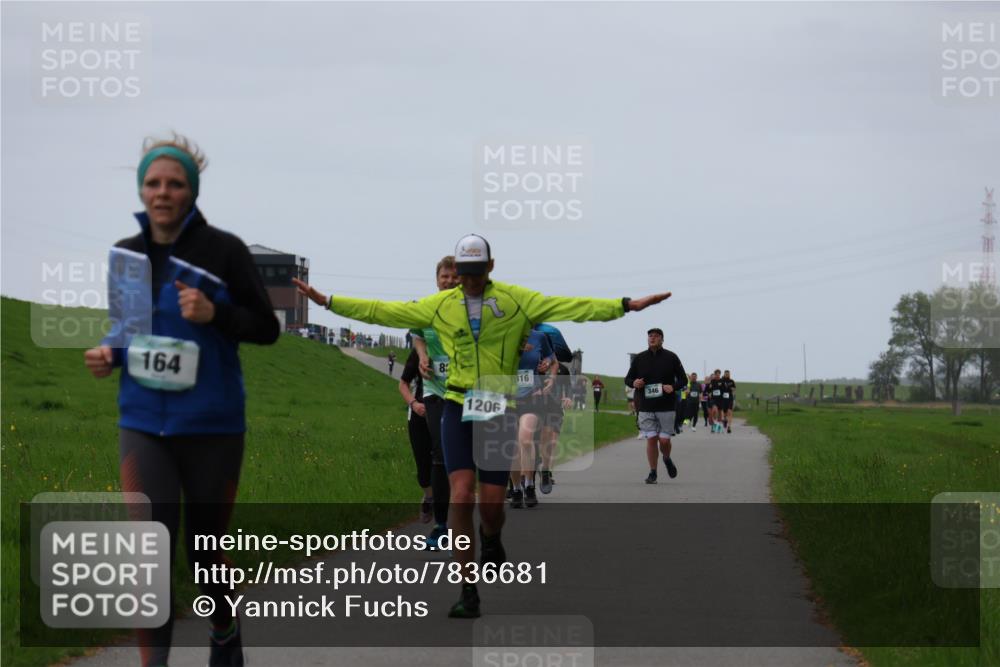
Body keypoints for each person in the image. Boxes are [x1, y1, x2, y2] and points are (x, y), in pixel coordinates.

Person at [293, 234, 671, 617]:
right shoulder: (440, 305)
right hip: (457, 403)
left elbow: (574, 306)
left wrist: (625, 306)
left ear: (491, 267)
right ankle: (467, 589)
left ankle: (492, 537)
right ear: (457, 271)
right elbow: (383, 312)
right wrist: (328, 302)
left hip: (499, 405)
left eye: (477, 272)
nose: (470, 280)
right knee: (461, 494)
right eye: (464, 273)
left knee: (491, 504)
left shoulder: (515, 300)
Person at [83, 134, 279, 667]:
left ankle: (223, 631)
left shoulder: (225, 252)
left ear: (191, 191)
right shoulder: (125, 255)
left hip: (213, 425)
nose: (162, 192)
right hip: (143, 421)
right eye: (153, 183)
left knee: (207, 556)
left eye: (174, 183)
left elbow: (266, 328)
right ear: (141, 190)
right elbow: (128, 330)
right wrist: (109, 353)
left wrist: (215, 314)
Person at [407, 257, 460, 548]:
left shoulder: (471, 310)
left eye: (455, 277)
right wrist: (423, 355)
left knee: (460, 458)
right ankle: (441, 526)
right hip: (435, 390)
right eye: (445, 276)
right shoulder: (425, 308)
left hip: (466, 390)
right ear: (437, 278)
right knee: (439, 452)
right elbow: (417, 335)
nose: (450, 281)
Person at [624, 328, 687, 484]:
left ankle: (666, 458)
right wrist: (634, 382)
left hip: (666, 406)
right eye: (650, 336)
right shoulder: (640, 358)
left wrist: (673, 387)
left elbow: (683, 380)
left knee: (664, 441)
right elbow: (628, 378)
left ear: (662, 340)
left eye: (656, 336)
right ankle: (653, 472)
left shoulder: (671, 357)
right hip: (645, 406)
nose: (652, 338)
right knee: (651, 439)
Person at [508, 327, 556, 509]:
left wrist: (547, 365)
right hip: (507, 397)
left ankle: (529, 485)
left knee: (526, 441)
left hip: (532, 396)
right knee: (512, 446)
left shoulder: (539, 336)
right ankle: (516, 488)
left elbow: (552, 358)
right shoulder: (500, 333)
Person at [720, 369, 737, 434]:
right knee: (724, 413)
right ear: (724, 374)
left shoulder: (731, 381)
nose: (727, 375)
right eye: (726, 374)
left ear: (729, 374)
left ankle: (729, 427)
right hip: (723, 399)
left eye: (728, 374)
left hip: (730, 398)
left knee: (730, 412)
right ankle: (725, 420)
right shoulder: (721, 381)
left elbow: (734, 388)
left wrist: (730, 388)